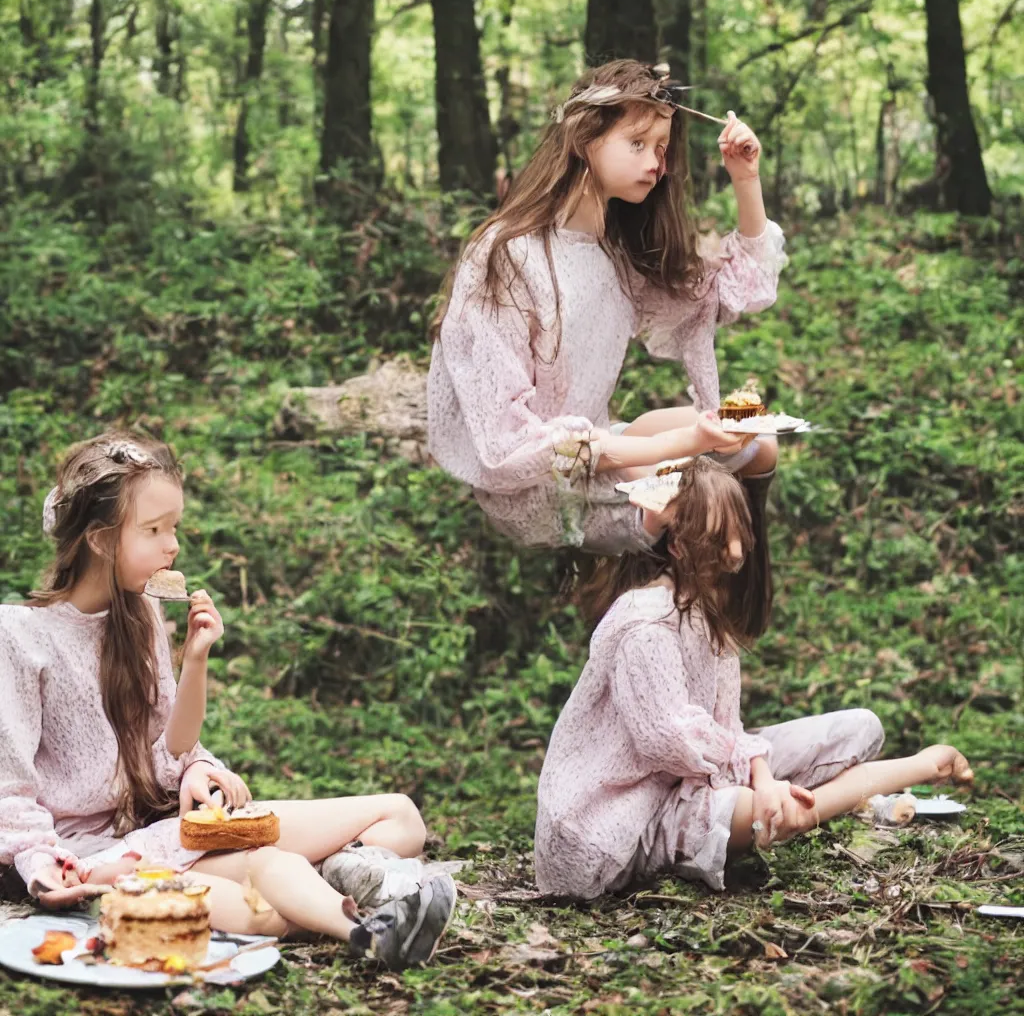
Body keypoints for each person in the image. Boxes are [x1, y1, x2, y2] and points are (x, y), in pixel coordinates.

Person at [0, 431, 455, 969]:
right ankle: (368, 927)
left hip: (163, 832)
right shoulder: (21, 634)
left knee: (398, 818)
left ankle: (370, 927)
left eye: (175, 527)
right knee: (267, 910)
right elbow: (10, 786)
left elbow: (169, 744)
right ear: (99, 539)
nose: (172, 546)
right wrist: (41, 867)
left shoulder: (142, 615)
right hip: (88, 861)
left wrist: (195, 737)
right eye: (153, 530)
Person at [533, 457, 973, 899]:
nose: (736, 553)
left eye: (737, 533)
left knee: (861, 728)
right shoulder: (644, 622)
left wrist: (762, 776)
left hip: (694, 776)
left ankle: (795, 799)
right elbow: (668, 741)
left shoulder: (705, 614)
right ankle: (907, 770)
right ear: (679, 544)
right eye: (719, 537)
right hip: (608, 830)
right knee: (753, 810)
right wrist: (759, 785)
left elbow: (728, 728)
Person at [429, 59, 787, 556]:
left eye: (660, 149)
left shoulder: (615, 254)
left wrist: (746, 179)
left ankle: (740, 593)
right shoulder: (506, 254)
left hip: (597, 449)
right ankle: (696, 593)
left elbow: (727, 293)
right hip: (542, 483)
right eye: (637, 143)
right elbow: (507, 451)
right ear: (583, 138)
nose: (655, 164)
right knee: (704, 499)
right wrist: (680, 446)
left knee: (758, 442)